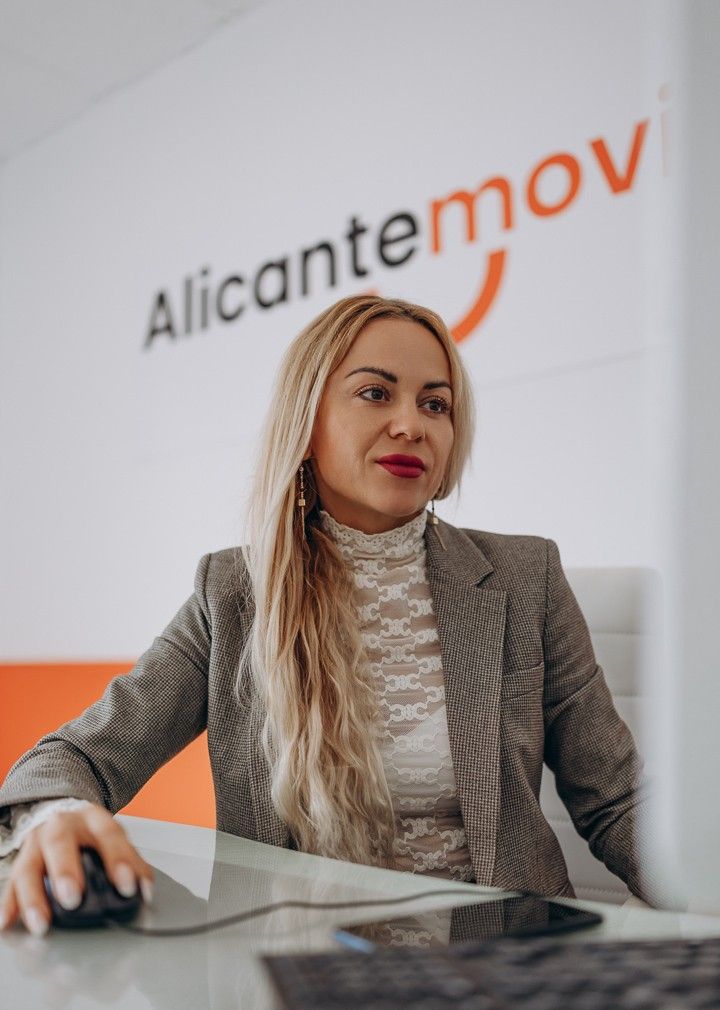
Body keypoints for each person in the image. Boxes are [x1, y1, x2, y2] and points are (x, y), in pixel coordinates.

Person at [0, 294, 655, 937]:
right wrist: (55, 816)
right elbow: (79, 756)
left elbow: (617, 798)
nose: (411, 425)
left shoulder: (525, 577)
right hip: (303, 984)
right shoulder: (232, 592)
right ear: (306, 421)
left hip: (508, 977)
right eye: (376, 393)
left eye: (435, 403)